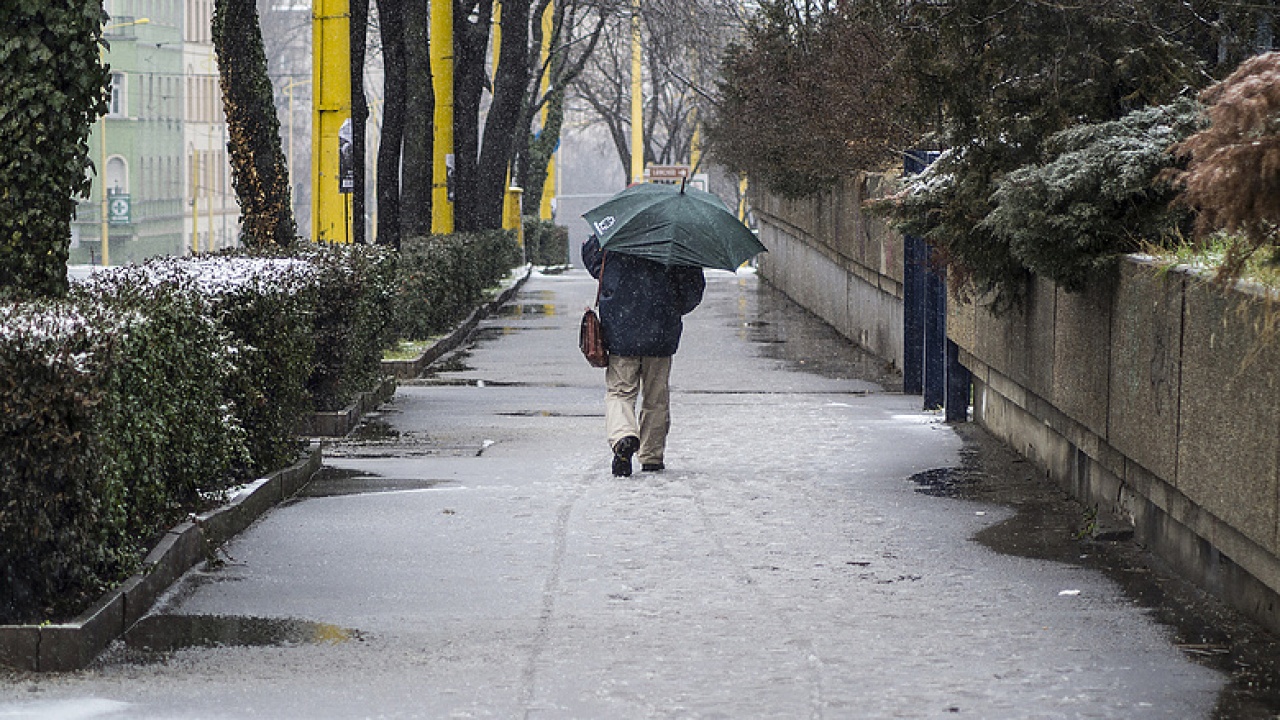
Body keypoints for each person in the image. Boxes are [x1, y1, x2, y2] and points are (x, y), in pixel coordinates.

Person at [582, 235, 706, 477]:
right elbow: (693, 290)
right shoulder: (676, 236)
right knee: (656, 396)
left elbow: (594, 260)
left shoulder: (620, 231)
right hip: (662, 328)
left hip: (621, 326)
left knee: (620, 391)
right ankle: (651, 456)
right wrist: (672, 305)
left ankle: (623, 437)